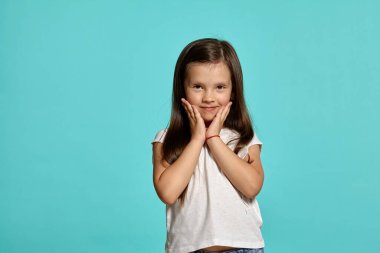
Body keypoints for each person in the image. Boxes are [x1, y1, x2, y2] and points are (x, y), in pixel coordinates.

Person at [151, 38, 265, 253]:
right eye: (198, 87)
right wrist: (196, 139)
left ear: (233, 91)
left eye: (220, 87)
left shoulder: (243, 138)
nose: (209, 97)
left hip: (242, 249)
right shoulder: (167, 139)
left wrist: (213, 139)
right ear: (182, 89)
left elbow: (251, 187)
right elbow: (167, 192)